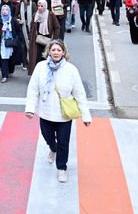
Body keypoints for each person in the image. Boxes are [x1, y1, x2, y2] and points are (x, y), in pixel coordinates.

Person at [25, 40, 92, 183]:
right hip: (45, 112)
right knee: (48, 137)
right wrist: (30, 109)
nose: (56, 52)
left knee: (63, 142)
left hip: (64, 115)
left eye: (59, 50)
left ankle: (62, 168)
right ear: (48, 51)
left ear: (64, 53)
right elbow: (33, 89)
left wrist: (86, 116)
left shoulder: (71, 70)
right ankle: (52, 149)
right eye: (53, 50)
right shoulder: (40, 67)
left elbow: (80, 93)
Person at [0, 4, 23, 83]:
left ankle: (10, 71)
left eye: (6, 10)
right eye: (3, 10)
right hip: (2, 42)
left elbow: (19, 31)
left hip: (12, 42)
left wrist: (18, 40)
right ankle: (4, 76)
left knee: (11, 58)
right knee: (3, 58)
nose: (5, 11)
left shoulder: (13, 20)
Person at [27, 0, 60, 75]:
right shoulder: (35, 15)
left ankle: (47, 74)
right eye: (38, 6)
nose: (40, 7)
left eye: (42, 6)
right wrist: (30, 38)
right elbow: (32, 27)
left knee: (46, 57)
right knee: (36, 58)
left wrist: (54, 39)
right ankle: (38, 74)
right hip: (37, 39)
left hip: (48, 40)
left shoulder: (50, 15)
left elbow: (57, 27)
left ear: (45, 6)